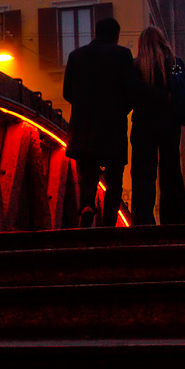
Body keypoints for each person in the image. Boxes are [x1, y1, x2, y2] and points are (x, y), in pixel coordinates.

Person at [62, 17, 135, 228]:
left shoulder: (76, 56)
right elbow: (131, 91)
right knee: (114, 176)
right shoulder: (123, 55)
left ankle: (87, 205)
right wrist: (121, 109)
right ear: (116, 35)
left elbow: (67, 92)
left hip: (84, 125)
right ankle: (109, 219)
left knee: (87, 172)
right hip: (113, 125)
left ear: (95, 32)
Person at [131, 26, 185, 225]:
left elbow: (130, 97)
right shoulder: (174, 64)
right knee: (170, 171)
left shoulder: (136, 66)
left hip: (143, 126)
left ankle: (143, 220)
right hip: (169, 125)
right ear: (162, 41)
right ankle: (173, 220)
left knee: (143, 174)